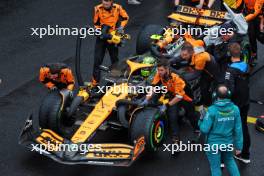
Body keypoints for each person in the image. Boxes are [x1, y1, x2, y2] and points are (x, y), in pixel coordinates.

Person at [140, 59, 199, 149]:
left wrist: (166, 105)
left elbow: (179, 97)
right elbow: (153, 87)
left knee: (191, 115)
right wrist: (146, 100)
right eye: (158, 70)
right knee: (172, 118)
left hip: (185, 97)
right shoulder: (159, 75)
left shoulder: (177, 77)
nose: (159, 72)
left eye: (161, 70)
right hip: (173, 95)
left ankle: (197, 130)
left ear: (167, 69)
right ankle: (176, 143)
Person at [199, 84, 243, 176]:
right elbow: (238, 129)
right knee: (230, 162)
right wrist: (239, 147)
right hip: (228, 143)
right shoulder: (235, 109)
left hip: (213, 144)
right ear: (229, 94)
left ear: (215, 95)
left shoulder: (212, 110)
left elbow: (204, 129)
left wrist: (201, 119)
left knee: (215, 168)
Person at [224, 42, 251, 163]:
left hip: (235, 104)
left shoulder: (230, 71)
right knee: (243, 126)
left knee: (231, 127)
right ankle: (244, 153)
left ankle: (240, 153)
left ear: (230, 54)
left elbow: (230, 90)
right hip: (246, 101)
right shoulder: (245, 65)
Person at [92, 0, 129, 86]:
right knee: (97, 60)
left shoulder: (118, 8)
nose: (105, 5)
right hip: (101, 37)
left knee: (114, 59)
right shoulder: (97, 9)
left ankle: (115, 78)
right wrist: (98, 31)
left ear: (111, 2)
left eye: (107, 4)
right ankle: (94, 83)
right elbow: (96, 23)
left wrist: (121, 27)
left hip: (113, 37)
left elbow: (125, 18)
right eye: (104, 3)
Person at [244, 0, 264, 65]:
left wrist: (243, 20)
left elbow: (256, 12)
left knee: (260, 36)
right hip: (249, 15)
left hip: (259, 16)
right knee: (251, 36)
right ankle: (254, 56)